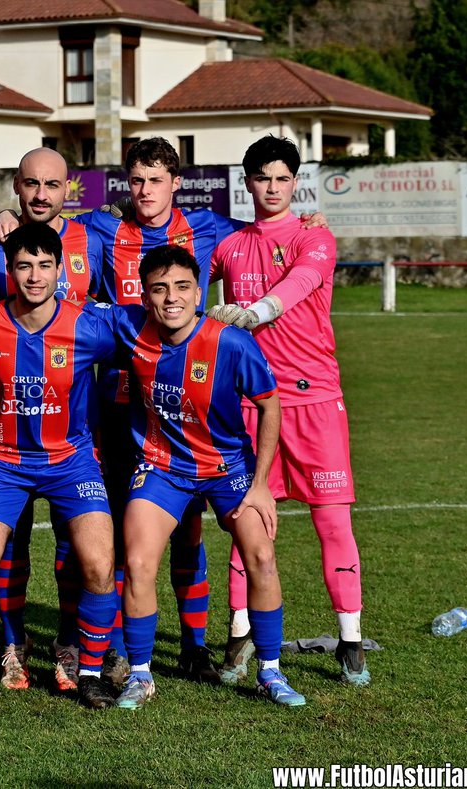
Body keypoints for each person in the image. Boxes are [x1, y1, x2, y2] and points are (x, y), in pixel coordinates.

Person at [89, 244, 306, 709]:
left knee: (262, 557)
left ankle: (270, 671)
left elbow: (270, 405)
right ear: (144, 296)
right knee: (140, 562)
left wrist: (261, 483)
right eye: (159, 289)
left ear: (199, 290)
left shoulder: (230, 341)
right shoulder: (129, 327)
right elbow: (63, 310)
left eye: (183, 287)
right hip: (163, 468)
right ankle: (141, 675)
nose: (172, 298)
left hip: (227, 469)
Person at [208, 135, 369, 687]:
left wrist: (254, 311)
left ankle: (350, 640)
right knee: (248, 526)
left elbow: (300, 285)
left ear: (295, 182)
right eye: (262, 178)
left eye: (282, 178)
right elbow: (172, 273)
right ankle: (239, 635)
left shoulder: (316, 237)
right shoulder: (227, 245)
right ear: (246, 182)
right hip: (253, 406)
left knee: (333, 523)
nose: (272, 188)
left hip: (316, 401)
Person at [0, 222, 119, 711]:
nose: (35, 276)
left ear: (60, 270)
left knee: (100, 564)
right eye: (24, 265)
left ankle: (88, 672)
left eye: (45, 265)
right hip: (2, 462)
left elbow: (151, 340)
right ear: (8, 269)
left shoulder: (89, 324)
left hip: (71, 461)